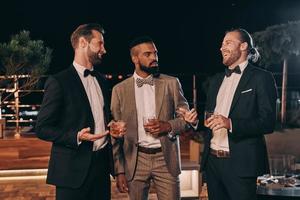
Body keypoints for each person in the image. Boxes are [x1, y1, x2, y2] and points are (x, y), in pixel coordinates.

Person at [180, 28, 277, 200]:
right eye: (221, 44)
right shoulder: (216, 80)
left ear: (243, 46)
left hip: (241, 164)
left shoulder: (262, 78)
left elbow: (268, 122)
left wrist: (230, 123)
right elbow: (209, 120)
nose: (221, 47)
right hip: (213, 163)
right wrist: (194, 121)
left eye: (228, 43)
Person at [35, 23, 124, 200]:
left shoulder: (101, 80)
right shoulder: (58, 81)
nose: (104, 50)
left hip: (101, 168)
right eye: (100, 43)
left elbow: (101, 117)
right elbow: (42, 128)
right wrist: (76, 136)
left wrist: (112, 125)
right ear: (83, 42)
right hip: (71, 171)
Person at [110, 36, 189, 200]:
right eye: (148, 54)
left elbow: (186, 120)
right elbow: (115, 135)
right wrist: (120, 170)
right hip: (135, 159)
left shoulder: (172, 83)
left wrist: (168, 125)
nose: (154, 58)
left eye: (155, 53)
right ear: (135, 58)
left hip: (165, 158)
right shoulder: (119, 90)